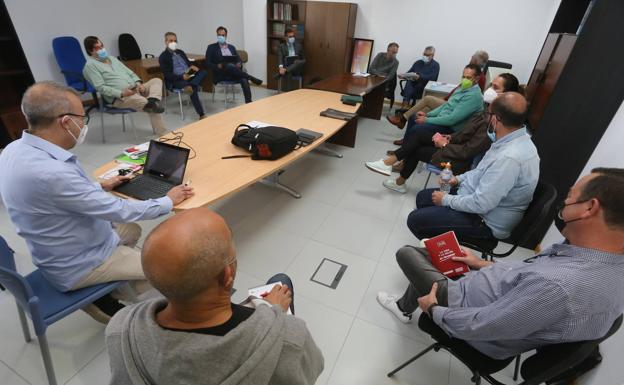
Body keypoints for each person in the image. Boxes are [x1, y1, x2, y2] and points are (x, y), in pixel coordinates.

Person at [377, 167, 624, 363]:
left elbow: (484, 327)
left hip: (466, 311)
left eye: (570, 197)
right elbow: (524, 276)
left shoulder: (558, 286)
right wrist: (480, 263)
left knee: (408, 253)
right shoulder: (596, 260)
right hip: (486, 295)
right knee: (436, 253)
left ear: (589, 208)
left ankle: (406, 306)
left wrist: (434, 310)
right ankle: (404, 305)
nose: (565, 202)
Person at [0, 82, 195, 322]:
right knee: (164, 269)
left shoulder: (13, 149)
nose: (83, 124)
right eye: (82, 118)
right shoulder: (52, 172)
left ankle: (109, 288)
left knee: (132, 232)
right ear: (65, 122)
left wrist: (99, 186)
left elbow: (52, 195)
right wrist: (167, 200)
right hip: (78, 264)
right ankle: (97, 297)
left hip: (56, 247)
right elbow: (118, 210)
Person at [106, 207, 324, 385]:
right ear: (228, 275)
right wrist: (273, 314)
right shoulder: (290, 338)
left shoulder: (120, 328)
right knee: (281, 279)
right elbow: (313, 370)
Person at [406, 92, 539, 241]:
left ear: (496, 119)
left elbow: (481, 204)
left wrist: (446, 200)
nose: (486, 117)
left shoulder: (510, 157)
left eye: (488, 113)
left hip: (485, 222)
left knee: (415, 220)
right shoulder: (511, 140)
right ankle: (436, 238)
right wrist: (457, 179)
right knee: (423, 198)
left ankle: (443, 254)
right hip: (474, 198)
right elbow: (480, 171)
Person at [366, 74, 521, 194]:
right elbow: (465, 134)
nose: (490, 90)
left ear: (507, 95)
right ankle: (391, 168)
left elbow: (469, 151)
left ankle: (392, 171)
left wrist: (445, 144)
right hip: (454, 146)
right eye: (491, 85)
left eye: (496, 88)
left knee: (417, 146)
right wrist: (449, 137)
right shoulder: (486, 111)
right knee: (418, 135)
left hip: (459, 159)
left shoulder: (495, 121)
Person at [82, 36, 167, 135]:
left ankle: (152, 100)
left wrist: (138, 84)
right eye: (97, 48)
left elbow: (130, 73)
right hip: (120, 98)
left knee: (156, 80)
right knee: (145, 102)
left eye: (102, 46)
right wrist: (122, 93)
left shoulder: (112, 59)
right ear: (90, 51)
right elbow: (101, 88)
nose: (102, 49)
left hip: (135, 89)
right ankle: (163, 135)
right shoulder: (90, 66)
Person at [387, 50, 489, 130]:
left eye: (472, 57)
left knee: (427, 101)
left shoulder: (478, 78)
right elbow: (459, 90)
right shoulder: (418, 62)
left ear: (475, 60)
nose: (470, 58)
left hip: (451, 104)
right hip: (449, 99)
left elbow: (462, 97)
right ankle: (406, 131)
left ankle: (403, 120)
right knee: (421, 111)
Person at [395, 64, 484, 146]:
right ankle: (404, 148)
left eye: (468, 78)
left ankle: (403, 154)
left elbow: (451, 120)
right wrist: (427, 115)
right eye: (463, 77)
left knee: (417, 129)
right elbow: (446, 105)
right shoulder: (463, 87)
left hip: (451, 128)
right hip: (444, 119)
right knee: (413, 117)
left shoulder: (473, 96)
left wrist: (427, 120)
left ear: (476, 79)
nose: (464, 80)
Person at [205, 26, 262, 104]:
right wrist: (216, 66)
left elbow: (239, 60)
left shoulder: (231, 47)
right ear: (217, 35)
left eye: (223, 35)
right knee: (229, 65)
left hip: (234, 73)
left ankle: (249, 102)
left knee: (243, 79)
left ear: (226, 35)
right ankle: (251, 77)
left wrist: (239, 64)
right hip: (221, 74)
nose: (221, 37)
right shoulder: (211, 47)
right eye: (219, 35)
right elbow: (207, 63)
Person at [159, 31, 207, 119]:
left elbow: (188, 63)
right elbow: (168, 75)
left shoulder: (180, 52)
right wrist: (182, 76)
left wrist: (193, 67)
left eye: (175, 41)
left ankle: (190, 85)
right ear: (166, 42)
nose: (173, 43)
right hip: (177, 79)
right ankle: (201, 114)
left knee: (203, 72)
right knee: (193, 89)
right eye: (171, 41)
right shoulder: (163, 57)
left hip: (188, 74)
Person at [397, 46, 440, 110]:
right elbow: (409, 72)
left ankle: (404, 106)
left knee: (410, 83)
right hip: (413, 83)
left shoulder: (435, 65)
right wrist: (403, 75)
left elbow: (433, 78)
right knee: (410, 82)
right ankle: (405, 107)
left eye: (427, 55)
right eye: (424, 54)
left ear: (432, 55)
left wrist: (420, 77)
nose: (425, 56)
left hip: (424, 86)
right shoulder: (418, 62)